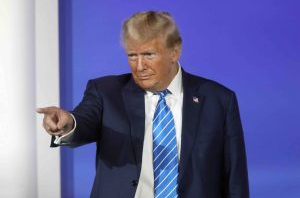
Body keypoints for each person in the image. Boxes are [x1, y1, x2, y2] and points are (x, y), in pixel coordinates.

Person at [37, 11, 249, 198]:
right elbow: (84, 119)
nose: (140, 66)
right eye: (132, 55)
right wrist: (68, 123)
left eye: (149, 54)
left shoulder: (218, 100)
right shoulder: (107, 92)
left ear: (174, 51)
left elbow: (234, 178)